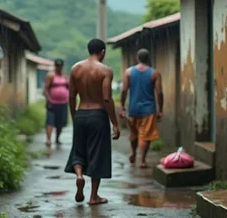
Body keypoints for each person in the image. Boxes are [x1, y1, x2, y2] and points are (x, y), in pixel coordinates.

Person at [64, 38, 120, 206]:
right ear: (102, 52)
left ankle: (79, 176)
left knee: (79, 150)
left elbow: (72, 96)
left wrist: (74, 116)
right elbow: (107, 99)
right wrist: (115, 123)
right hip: (98, 115)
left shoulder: (75, 69)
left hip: (81, 112)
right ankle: (93, 196)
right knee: (98, 154)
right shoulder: (105, 71)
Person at [119, 48, 164, 169]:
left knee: (134, 134)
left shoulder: (128, 72)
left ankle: (133, 153)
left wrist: (122, 106)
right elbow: (159, 93)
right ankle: (142, 160)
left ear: (137, 58)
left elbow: (124, 90)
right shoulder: (154, 73)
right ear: (148, 58)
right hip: (148, 110)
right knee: (145, 135)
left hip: (132, 109)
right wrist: (160, 110)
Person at [43, 58, 70, 147]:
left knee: (60, 123)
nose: (58, 67)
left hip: (63, 103)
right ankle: (48, 139)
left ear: (62, 66)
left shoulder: (65, 77)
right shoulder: (51, 76)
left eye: (60, 66)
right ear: (55, 66)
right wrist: (48, 99)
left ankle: (57, 138)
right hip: (52, 102)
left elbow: (69, 88)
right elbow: (46, 89)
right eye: (57, 65)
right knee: (50, 121)